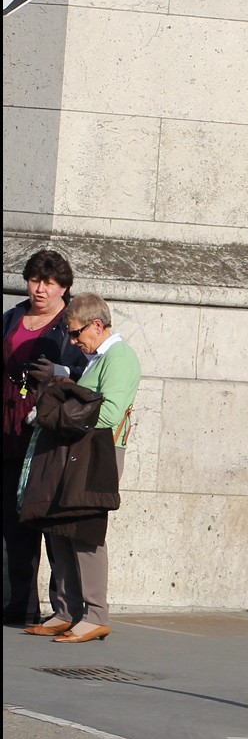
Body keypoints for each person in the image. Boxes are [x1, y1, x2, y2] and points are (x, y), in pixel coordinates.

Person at [23, 293, 140, 643]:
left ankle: (94, 614)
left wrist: (55, 413)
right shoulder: (96, 358)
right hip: (76, 449)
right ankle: (67, 610)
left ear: (98, 325)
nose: (74, 342)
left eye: (76, 334)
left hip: (98, 452)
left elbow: (108, 413)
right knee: (60, 526)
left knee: (86, 531)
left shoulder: (119, 357)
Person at [3, 249, 88, 626]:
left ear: (63, 287)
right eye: (35, 280)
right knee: (13, 524)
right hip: (9, 430)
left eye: (49, 283)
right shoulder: (11, 318)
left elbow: (89, 370)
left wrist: (60, 370)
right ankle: (22, 604)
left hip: (48, 433)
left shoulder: (72, 323)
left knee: (53, 525)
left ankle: (65, 608)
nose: (40, 289)